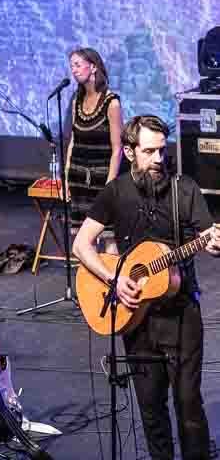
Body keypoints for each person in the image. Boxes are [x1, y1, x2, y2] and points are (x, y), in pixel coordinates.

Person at [73, 115, 220, 460]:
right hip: (135, 316)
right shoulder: (116, 192)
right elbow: (81, 245)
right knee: (151, 409)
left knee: (188, 406)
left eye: (162, 151)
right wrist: (113, 278)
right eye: (149, 151)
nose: (158, 159)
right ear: (129, 152)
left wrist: (213, 242)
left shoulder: (185, 189)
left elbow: (207, 235)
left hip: (181, 314)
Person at [66, 48, 123, 253]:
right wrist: (67, 175)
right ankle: (88, 275)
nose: (74, 70)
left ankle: (111, 274)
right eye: (71, 66)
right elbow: (73, 139)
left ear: (93, 67)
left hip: (102, 179)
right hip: (79, 179)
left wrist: (110, 185)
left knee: (109, 238)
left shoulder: (111, 102)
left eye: (78, 65)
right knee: (83, 241)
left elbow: (118, 148)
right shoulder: (77, 101)